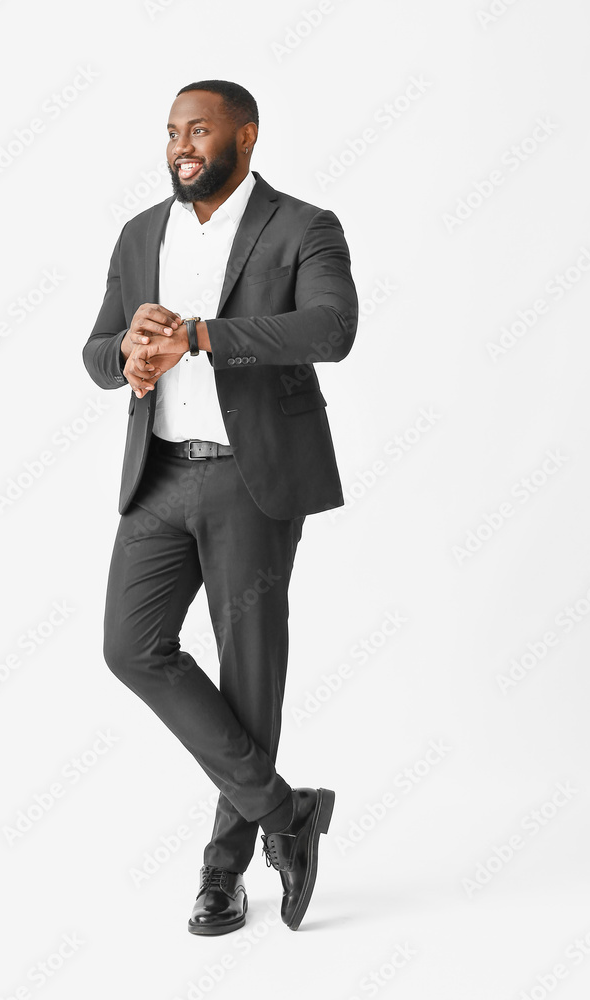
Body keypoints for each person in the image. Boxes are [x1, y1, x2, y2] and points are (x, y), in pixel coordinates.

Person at [83, 79, 358, 935]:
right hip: (160, 475)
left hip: (255, 477)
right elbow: (96, 351)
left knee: (248, 672)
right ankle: (288, 813)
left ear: (245, 135)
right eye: (171, 132)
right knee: (131, 648)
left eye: (198, 129)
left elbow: (330, 329)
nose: (181, 146)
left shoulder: (303, 226)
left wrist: (201, 335)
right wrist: (127, 352)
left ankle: (221, 872)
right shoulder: (139, 234)